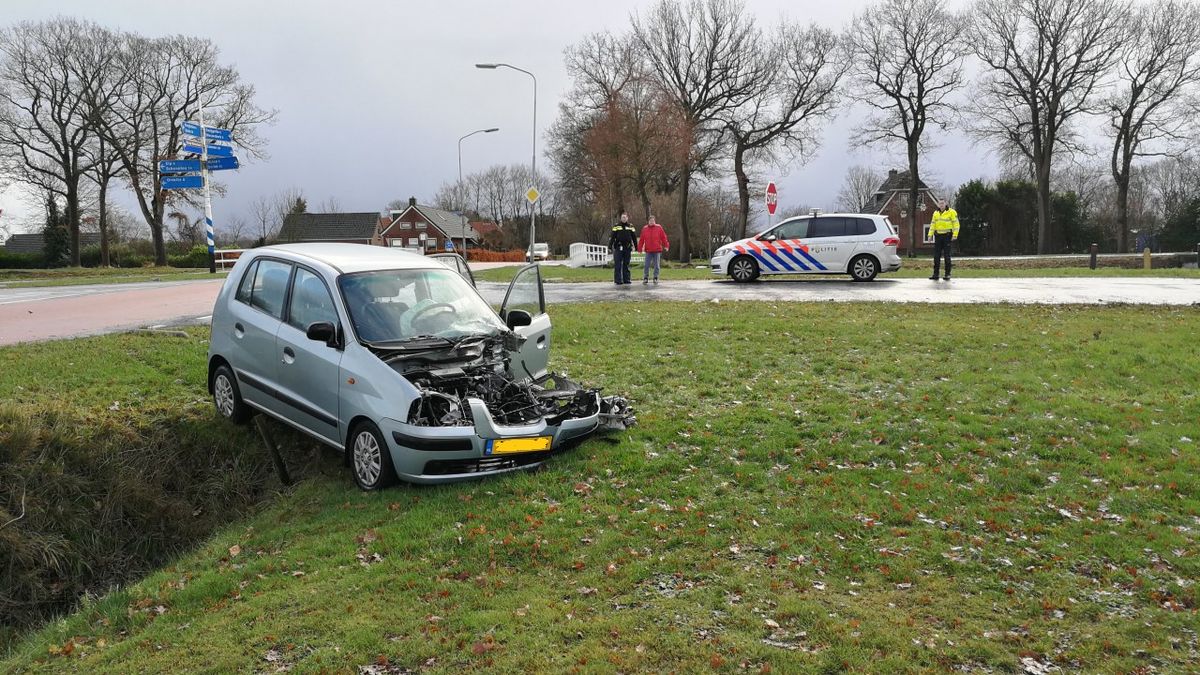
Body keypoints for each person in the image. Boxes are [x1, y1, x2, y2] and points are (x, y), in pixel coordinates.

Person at [928, 198, 960, 280]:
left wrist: (955, 235)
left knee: (947, 256)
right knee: (936, 256)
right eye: (940, 203)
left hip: (947, 236)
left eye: (942, 203)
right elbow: (932, 225)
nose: (941, 205)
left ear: (945, 203)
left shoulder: (952, 212)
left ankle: (947, 274)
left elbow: (956, 224)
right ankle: (935, 274)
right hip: (938, 236)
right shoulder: (935, 213)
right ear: (938, 204)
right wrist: (930, 235)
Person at [637, 215, 670, 284]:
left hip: (657, 250)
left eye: (653, 221)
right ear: (648, 221)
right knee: (646, 265)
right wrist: (639, 249)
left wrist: (666, 245)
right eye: (650, 221)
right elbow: (641, 240)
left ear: (655, 221)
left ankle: (655, 277)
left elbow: (663, 237)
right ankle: (645, 278)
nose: (652, 222)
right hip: (648, 250)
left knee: (656, 265)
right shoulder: (645, 229)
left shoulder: (659, 228)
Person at [608, 210, 638, 285]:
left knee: (626, 264)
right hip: (618, 247)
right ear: (620, 218)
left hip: (627, 248)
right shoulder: (616, 226)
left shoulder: (631, 226)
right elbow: (612, 237)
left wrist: (636, 247)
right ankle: (618, 280)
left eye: (625, 217)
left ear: (627, 218)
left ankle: (626, 279)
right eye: (622, 217)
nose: (623, 219)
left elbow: (634, 237)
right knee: (618, 264)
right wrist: (610, 246)